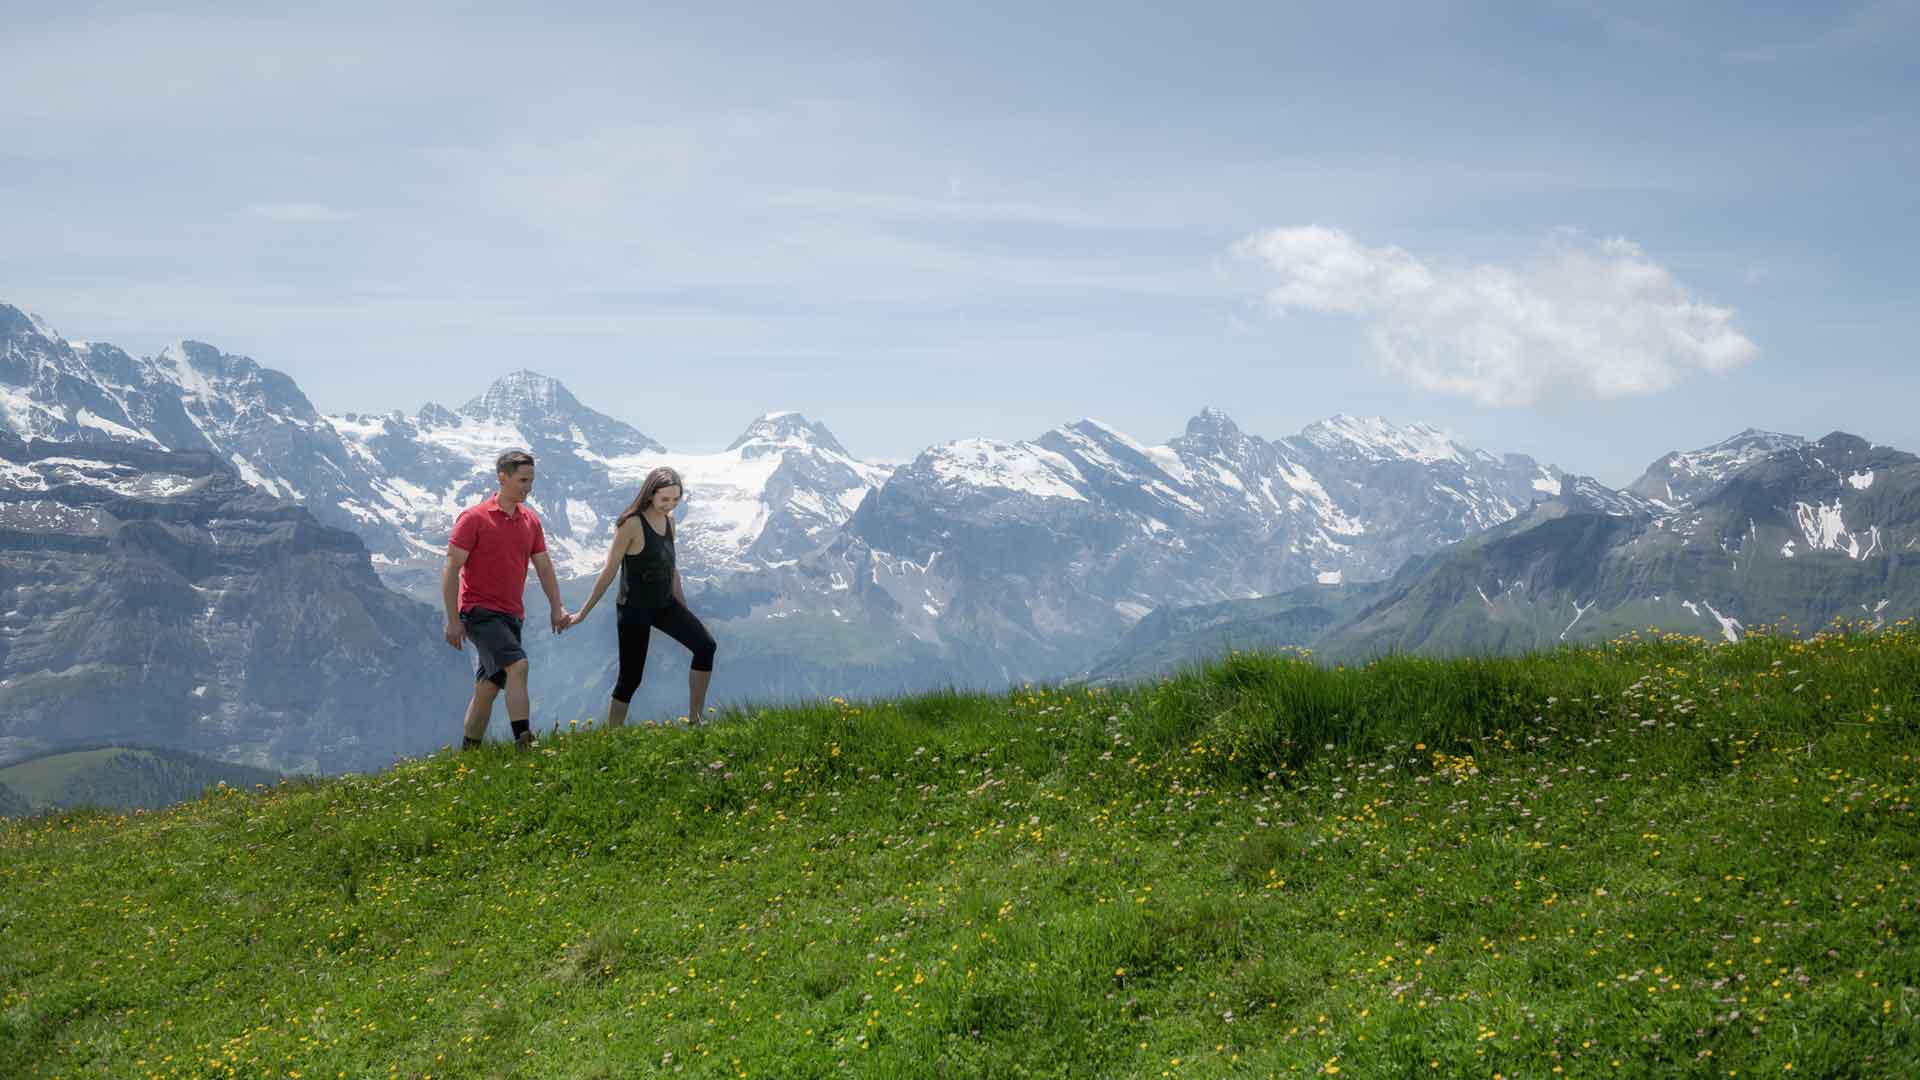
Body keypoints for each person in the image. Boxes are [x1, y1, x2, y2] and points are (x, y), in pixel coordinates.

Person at [564, 466, 717, 727]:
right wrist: (582, 613)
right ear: (650, 494)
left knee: (705, 645)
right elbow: (609, 571)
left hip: (665, 604)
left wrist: (685, 611)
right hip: (634, 609)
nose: (670, 505)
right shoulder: (631, 524)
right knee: (631, 678)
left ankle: (696, 720)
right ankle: (612, 736)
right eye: (665, 499)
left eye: (676, 500)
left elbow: (672, 571)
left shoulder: (670, 523)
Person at [442, 449, 568, 750]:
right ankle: (524, 743)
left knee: (488, 686)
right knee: (518, 666)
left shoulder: (530, 521)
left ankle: (468, 753)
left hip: (512, 614)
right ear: (503, 477)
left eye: (531, 480)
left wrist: (556, 606)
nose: (528, 487)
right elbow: (451, 568)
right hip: (479, 611)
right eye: (522, 480)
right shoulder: (474, 518)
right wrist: (453, 619)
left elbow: (544, 565)